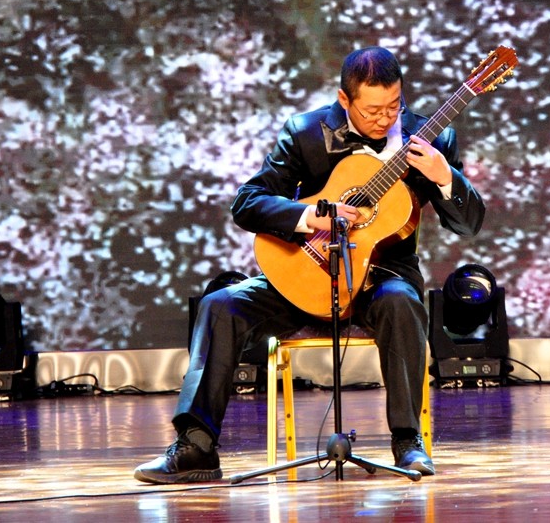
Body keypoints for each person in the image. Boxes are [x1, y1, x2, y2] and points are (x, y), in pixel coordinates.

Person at [134, 46, 486, 484]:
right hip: (308, 274)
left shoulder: (431, 139)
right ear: (344, 99)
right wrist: (310, 216)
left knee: (402, 303)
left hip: (381, 280)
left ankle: (407, 442)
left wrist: (444, 176)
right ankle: (196, 448)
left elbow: (469, 224)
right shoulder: (305, 133)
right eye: (372, 110)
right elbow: (248, 202)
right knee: (220, 305)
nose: (384, 119)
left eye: (394, 106)